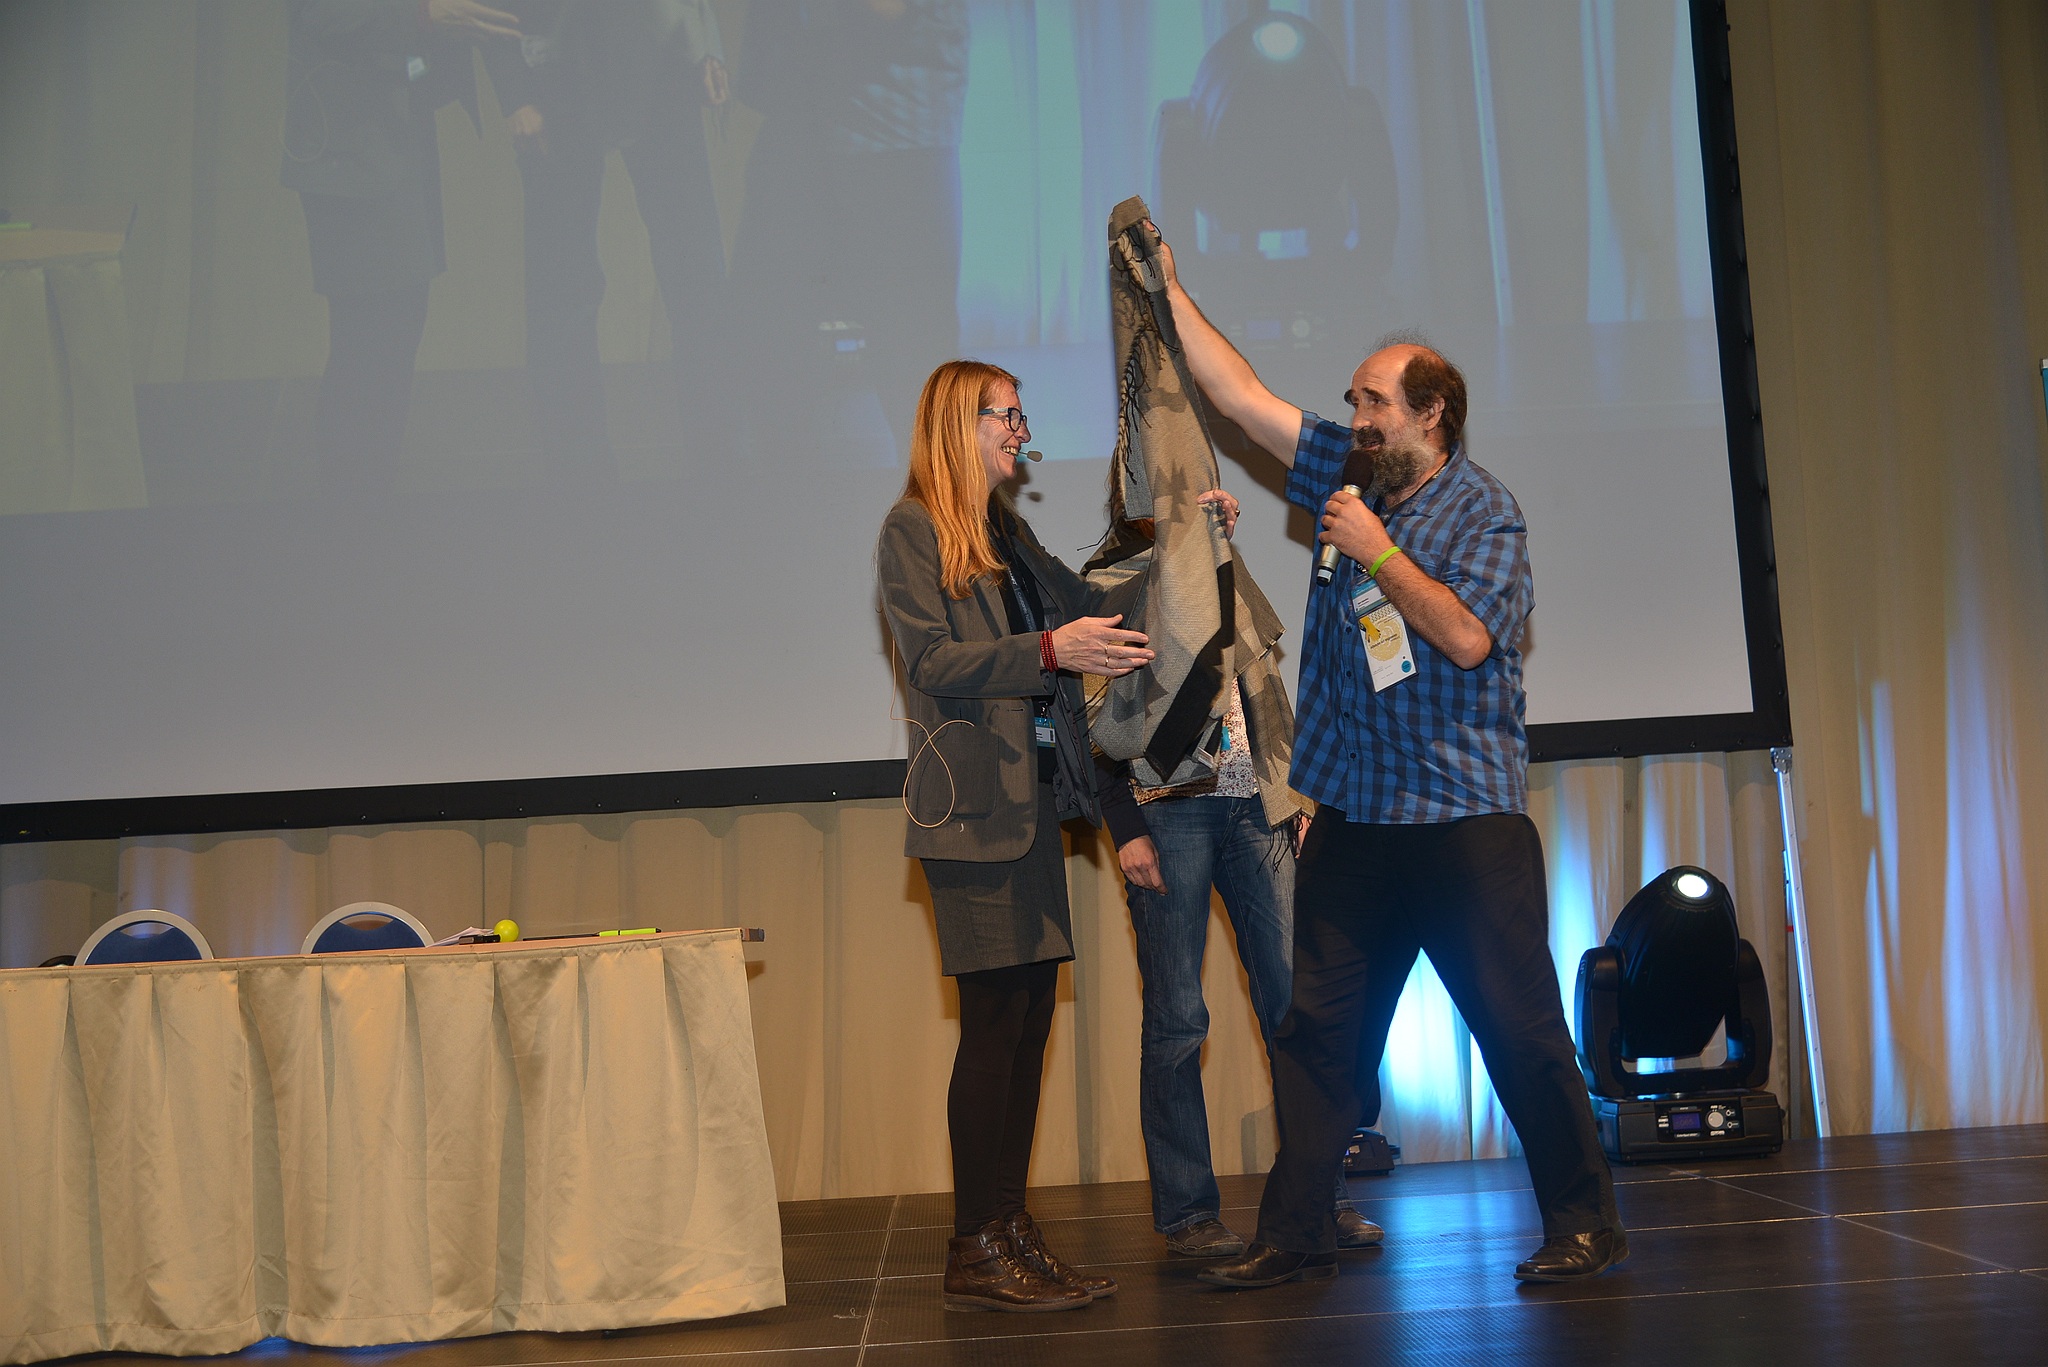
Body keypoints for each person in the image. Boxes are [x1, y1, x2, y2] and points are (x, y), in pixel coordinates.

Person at [1132, 224, 1626, 1287]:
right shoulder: (1346, 473)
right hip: (1354, 818)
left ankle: (1586, 1222)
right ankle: (1296, 1227)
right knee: (1318, 1034)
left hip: (1460, 822)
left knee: (1519, 1031)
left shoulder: (1482, 510)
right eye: (1352, 402)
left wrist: (1378, 550)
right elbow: (1239, 398)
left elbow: (1467, 638)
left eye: (1373, 402)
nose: (1354, 417)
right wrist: (1168, 288)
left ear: (1430, 413)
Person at [879, 359, 1215, 1312]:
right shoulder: (913, 528)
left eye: (1022, 416)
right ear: (960, 420)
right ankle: (974, 1244)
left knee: (1027, 1025)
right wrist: (1046, 651)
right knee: (995, 1026)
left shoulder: (1005, 530)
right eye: (1009, 415)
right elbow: (931, 659)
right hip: (972, 816)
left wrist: (1188, 542)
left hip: (1031, 807)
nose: (1023, 433)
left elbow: (1092, 603)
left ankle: (1008, 1226)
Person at [282, 0, 521, 498]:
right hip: (348, 152)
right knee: (364, 338)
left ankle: (370, 497)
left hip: (393, 142)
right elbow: (322, 14)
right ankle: (349, 504)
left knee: (397, 327)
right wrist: (421, 15)